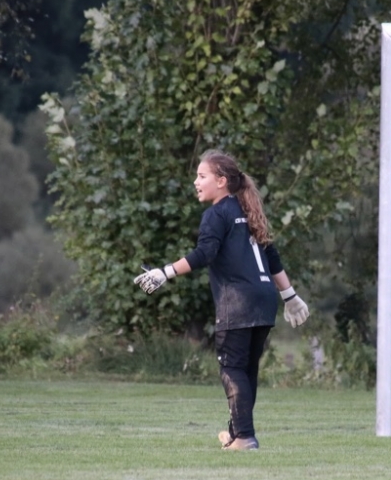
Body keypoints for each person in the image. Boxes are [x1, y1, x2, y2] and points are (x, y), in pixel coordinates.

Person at [133, 149, 310, 451]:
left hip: (238, 301)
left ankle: (244, 437)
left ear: (222, 181)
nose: (196, 182)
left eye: (202, 176)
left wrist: (165, 272)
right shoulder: (248, 209)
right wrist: (289, 295)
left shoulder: (216, 214)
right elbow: (271, 256)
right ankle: (236, 433)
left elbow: (205, 253)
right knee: (246, 371)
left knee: (231, 368)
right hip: (265, 300)